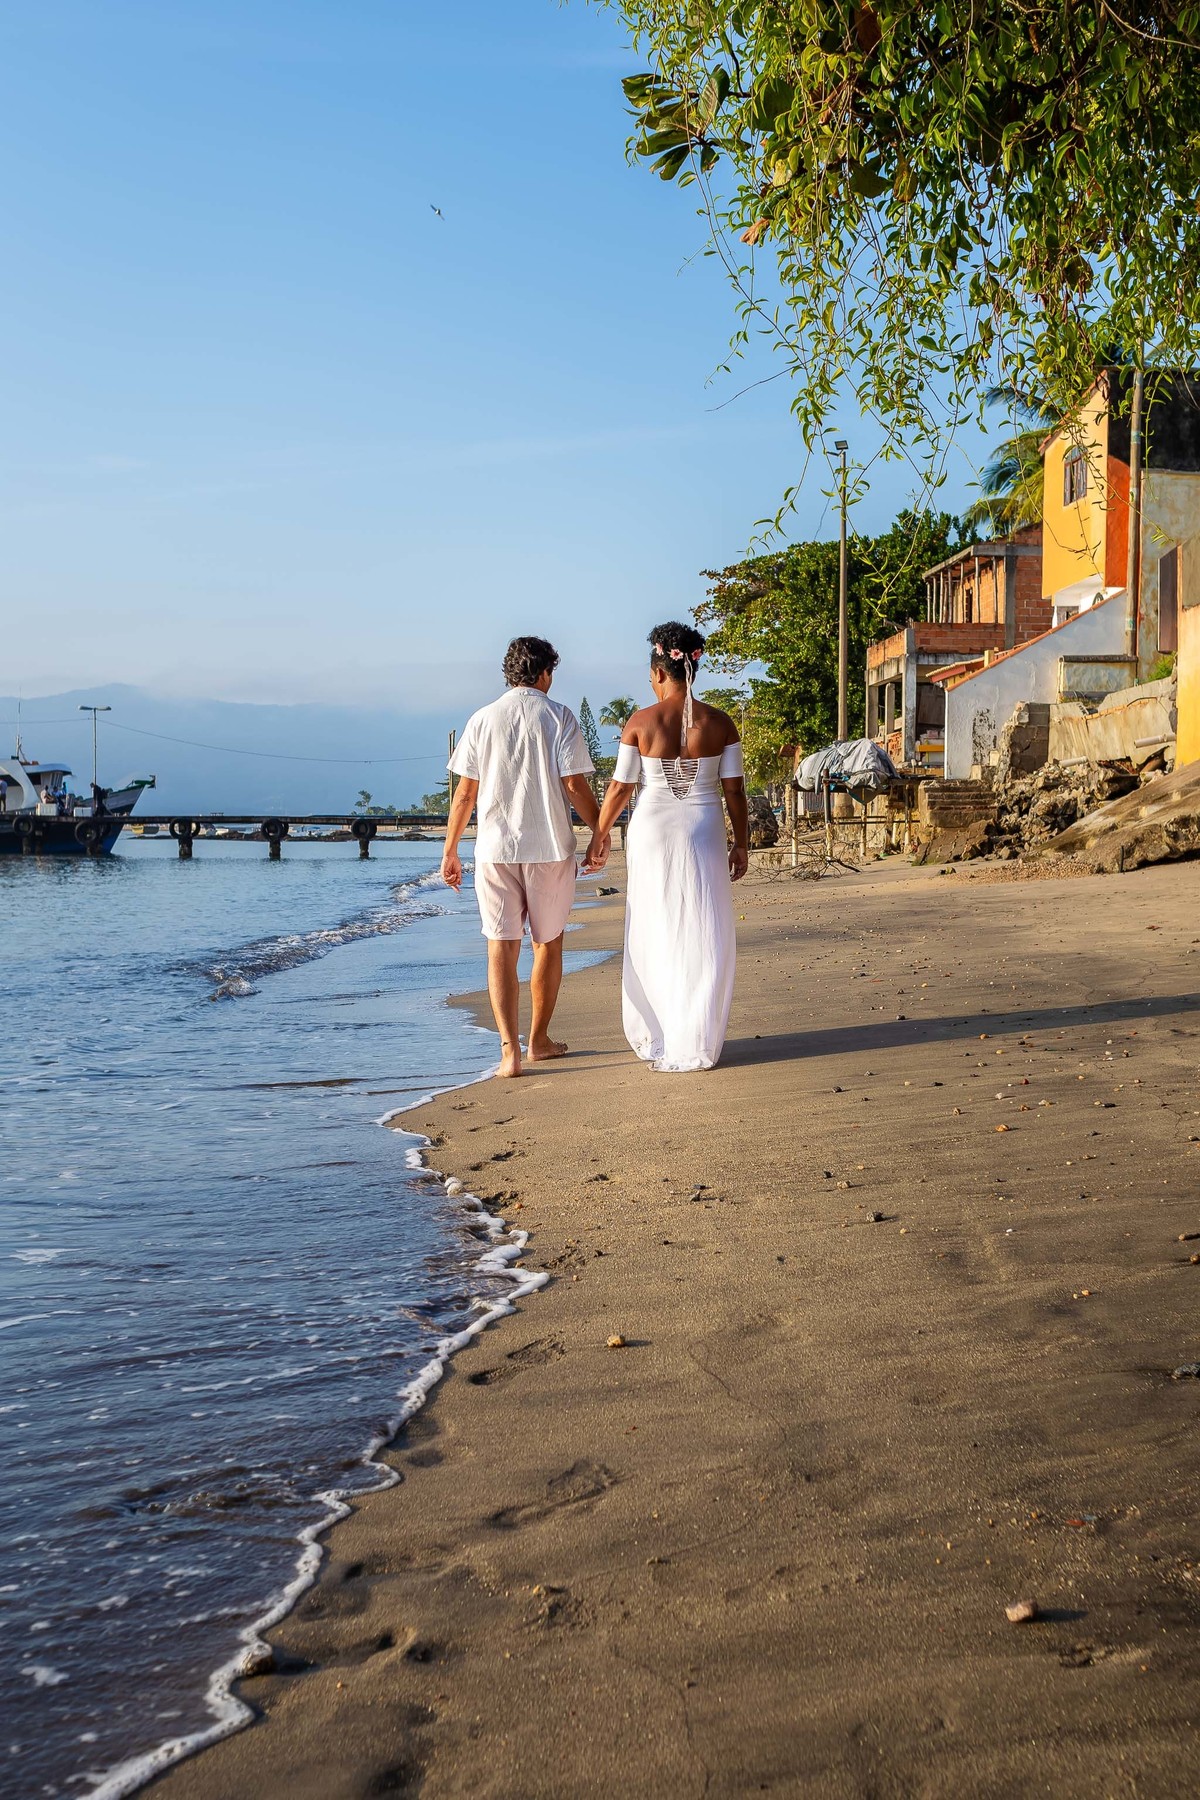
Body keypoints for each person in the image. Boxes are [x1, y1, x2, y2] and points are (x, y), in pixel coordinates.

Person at [587, 621, 748, 1072]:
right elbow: (733, 790)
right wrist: (742, 844)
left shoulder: (639, 722)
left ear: (658, 672)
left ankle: (657, 1032)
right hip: (704, 827)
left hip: (652, 829)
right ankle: (697, 1032)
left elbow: (620, 789)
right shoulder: (720, 722)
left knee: (654, 925)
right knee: (704, 925)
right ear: (693, 668)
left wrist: (598, 839)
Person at [441, 635, 601, 1079]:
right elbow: (573, 785)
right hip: (549, 848)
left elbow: (465, 794)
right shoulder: (559, 716)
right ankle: (540, 1041)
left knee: (500, 947)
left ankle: (509, 1053)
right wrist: (600, 832)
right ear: (546, 672)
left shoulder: (481, 719)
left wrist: (450, 849)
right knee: (547, 942)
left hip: (494, 850)